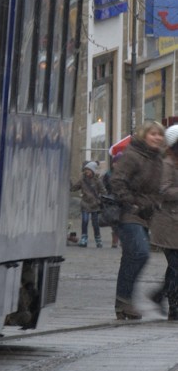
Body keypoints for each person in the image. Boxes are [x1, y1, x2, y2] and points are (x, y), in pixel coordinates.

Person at [109, 119, 165, 320]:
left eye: (159, 134)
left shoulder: (156, 158)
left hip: (145, 214)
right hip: (129, 213)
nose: (157, 138)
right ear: (144, 135)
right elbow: (116, 181)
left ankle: (123, 302)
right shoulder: (133, 156)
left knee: (132, 256)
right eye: (153, 134)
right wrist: (131, 203)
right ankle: (124, 300)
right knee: (140, 253)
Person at [148, 124, 178, 320]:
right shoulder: (167, 163)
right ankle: (174, 308)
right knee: (176, 267)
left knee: (174, 267)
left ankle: (160, 296)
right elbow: (163, 190)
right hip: (168, 223)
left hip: (175, 222)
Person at [70, 161, 105, 248]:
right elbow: (74, 188)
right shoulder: (82, 181)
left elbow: (103, 191)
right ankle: (84, 238)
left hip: (95, 205)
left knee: (95, 223)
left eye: (88, 170)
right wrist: (70, 183)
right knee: (85, 221)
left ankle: (98, 239)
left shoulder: (97, 181)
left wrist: (100, 199)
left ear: (92, 171)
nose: (87, 172)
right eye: (86, 170)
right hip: (85, 204)